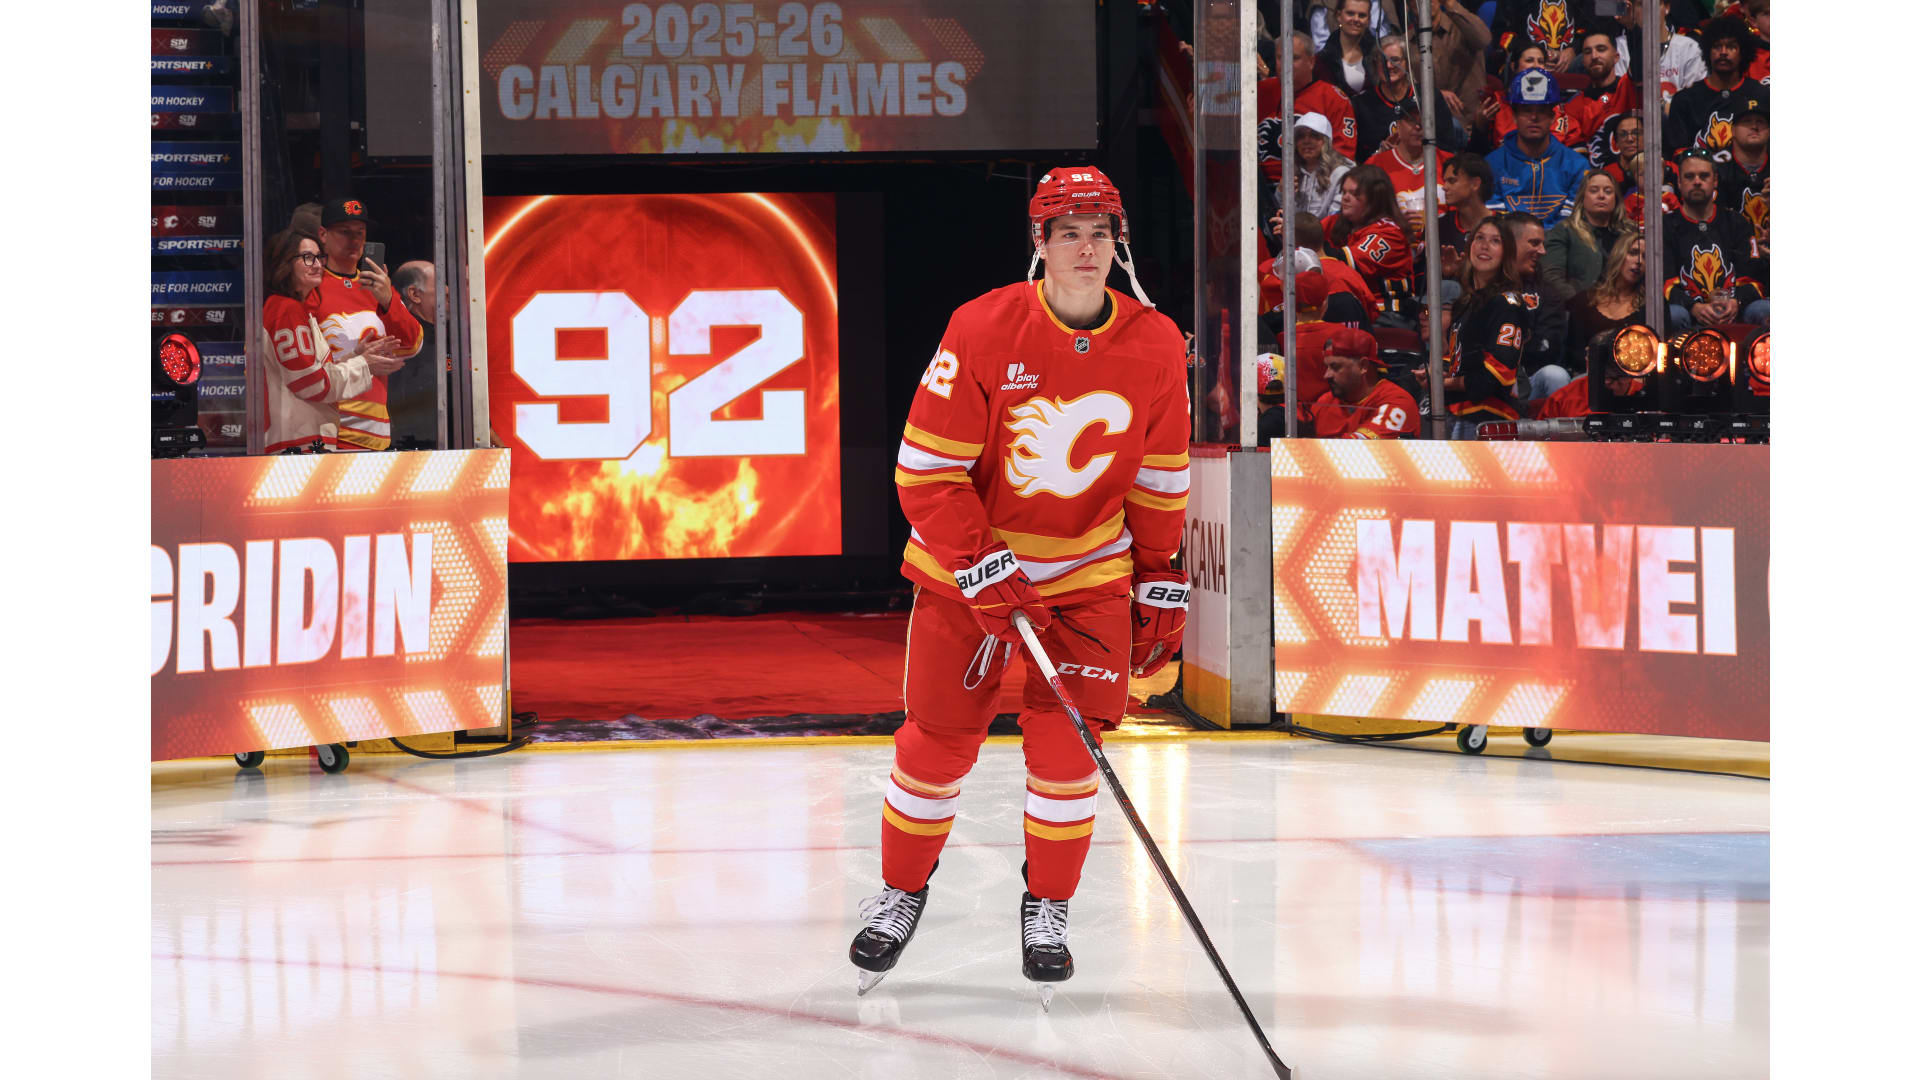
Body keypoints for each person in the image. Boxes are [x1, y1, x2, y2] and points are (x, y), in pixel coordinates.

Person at [849, 167, 1190, 997]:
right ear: (1040, 243)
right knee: (935, 744)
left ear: (1119, 244)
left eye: (1100, 233)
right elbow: (925, 472)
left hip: (1086, 576)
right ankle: (901, 892)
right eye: (1068, 233)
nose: (1086, 249)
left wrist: (1158, 579)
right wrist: (984, 565)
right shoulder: (983, 326)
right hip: (967, 576)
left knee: (1070, 753)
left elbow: (1160, 480)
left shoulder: (1155, 342)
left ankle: (1049, 906)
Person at [260, 228, 405, 453]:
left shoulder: (290, 309)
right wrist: (364, 364)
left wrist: (356, 356)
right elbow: (310, 384)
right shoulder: (286, 309)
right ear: (284, 263)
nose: (317, 264)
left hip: (300, 444)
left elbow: (313, 375)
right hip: (298, 448)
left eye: (319, 257)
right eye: (307, 258)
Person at [312, 198, 423, 451]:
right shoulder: (311, 286)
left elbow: (412, 344)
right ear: (323, 235)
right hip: (328, 431)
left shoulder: (378, 286)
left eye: (360, 233)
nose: (354, 240)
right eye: (345, 232)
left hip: (376, 435)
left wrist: (388, 301)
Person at [1416, 216, 1530, 434]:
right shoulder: (1466, 303)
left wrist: (1442, 383)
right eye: (1479, 238)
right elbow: (1461, 362)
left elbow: (1492, 380)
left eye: (1495, 241)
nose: (1485, 245)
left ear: (1507, 253)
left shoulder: (1507, 304)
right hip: (1455, 412)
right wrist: (1436, 374)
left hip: (1487, 420)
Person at [1662, 149, 1767, 329]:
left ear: (1715, 181)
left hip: (1734, 311)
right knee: (1674, 314)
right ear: (1679, 182)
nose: (1697, 181)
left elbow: (1752, 279)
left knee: (1766, 309)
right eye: (1689, 176)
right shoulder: (1665, 225)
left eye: (1704, 176)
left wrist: (1736, 302)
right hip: (1687, 313)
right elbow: (1665, 283)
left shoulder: (1737, 222)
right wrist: (1693, 307)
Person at [1485, 70, 1588, 228]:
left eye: (1541, 111)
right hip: (1508, 241)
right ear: (1514, 116)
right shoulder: (1492, 165)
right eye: (1527, 110)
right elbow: (1495, 223)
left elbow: (1572, 225)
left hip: (1559, 242)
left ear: (1553, 117)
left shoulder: (1577, 166)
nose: (1534, 117)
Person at [1322, 164, 1414, 318]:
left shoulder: (1390, 233)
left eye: (1354, 193)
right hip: (1351, 309)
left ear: (1375, 198)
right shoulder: (1337, 222)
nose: (1345, 197)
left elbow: (1346, 263)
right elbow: (1306, 235)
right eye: (1344, 192)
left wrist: (1312, 248)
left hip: (1386, 313)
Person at [1666, 15, 1767, 155]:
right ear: (1708, 51)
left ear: (1743, 52)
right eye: (1717, 47)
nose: (1723, 52)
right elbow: (1678, 154)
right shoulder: (1685, 100)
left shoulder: (1762, 95)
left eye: (1731, 47)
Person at [1303, 326, 1420, 438]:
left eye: (1336, 367)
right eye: (1327, 367)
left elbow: (1360, 448)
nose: (1327, 375)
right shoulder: (1325, 401)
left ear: (1363, 366)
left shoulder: (1398, 403)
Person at [1259, 31, 1359, 161]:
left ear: (1311, 62)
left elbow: (1343, 157)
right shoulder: (1259, 91)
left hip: (1314, 172)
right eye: (1280, 57)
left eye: (1294, 58)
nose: (1286, 64)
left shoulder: (1333, 99)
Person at [1562, 230, 1648, 372]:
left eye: (1645, 257)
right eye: (1633, 253)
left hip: (1633, 379)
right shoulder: (1585, 300)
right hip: (1588, 376)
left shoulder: (1651, 306)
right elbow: (1574, 353)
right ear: (1618, 254)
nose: (1639, 261)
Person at [1365, 97, 1453, 234]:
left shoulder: (1449, 162)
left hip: (1444, 239)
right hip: (1394, 241)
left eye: (1424, 119)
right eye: (1411, 120)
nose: (1418, 126)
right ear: (1398, 126)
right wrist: (1397, 225)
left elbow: (1460, 214)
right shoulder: (1375, 166)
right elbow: (1365, 217)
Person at [1256, 270, 1342, 407]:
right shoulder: (1343, 335)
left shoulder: (1282, 340)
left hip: (1294, 415)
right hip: (1333, 413)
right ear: (1325, 303)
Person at [1542, 168, 1627, 296]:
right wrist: (1578, 302)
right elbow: (1551, 277)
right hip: (1578, 304)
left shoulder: (1629, 232)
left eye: (1608, 191)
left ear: (1616, 198)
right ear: (1583, 197)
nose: (1601, 196)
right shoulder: (1564, 231)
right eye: (1594, 191)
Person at [1483, 41, 1580, 150]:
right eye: (1529, 60)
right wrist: (1479, 126)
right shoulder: (1496, 102)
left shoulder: (1554, 105)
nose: (1536, 66)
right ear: (1513, 66)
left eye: (1540, 62)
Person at [1612, 0, 1705, 108]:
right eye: (1641, 4)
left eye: (1654, 4)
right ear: (1632, 10)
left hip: (1678, 117)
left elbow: (1694, 102)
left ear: (1667, 8)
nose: (1648, 10)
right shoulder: (1619, 49)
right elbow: (1621, 99)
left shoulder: (1690, 48)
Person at [387, 260, 439, 448]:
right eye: (440, 283)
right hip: (409, 451)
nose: (448, 290)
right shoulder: (397, 340)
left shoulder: (447, 338)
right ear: (415, 294)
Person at [1293, 213, 1377, 327]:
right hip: (1356, 336)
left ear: (1293, 244)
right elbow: (1372, 313)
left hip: (1315, 336)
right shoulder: (1351, 273)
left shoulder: (1301, 279)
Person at [1562, 28, 1635, 145]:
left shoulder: (1629, 88)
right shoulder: (1573, 107)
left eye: (1601, 49)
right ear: (1583, 61)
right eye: (1587, 52)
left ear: (1616, 57)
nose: (1594, 56)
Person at [1352, 35, 1415, 162]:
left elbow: (1444, 145)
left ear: (1407, 63)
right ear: (1375, 65)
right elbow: (1356, 156)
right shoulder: (1360, 104)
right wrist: (1379, 153)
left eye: (1395, 60)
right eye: (1382, 60)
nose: (1389, 66)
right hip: (1376, 171)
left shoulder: (1426, 98)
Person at [1280, 111, 1354, 217]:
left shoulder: (1340, 174)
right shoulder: (1293, 172)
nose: (1306, 141)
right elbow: (1279, 211)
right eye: (1300, 136)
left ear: (1326, 141)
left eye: (1314, 136)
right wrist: (1281, 192)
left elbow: (1335, 219)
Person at [1490, 0, 1592, 74]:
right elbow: (1503, 33)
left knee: (1593, 56)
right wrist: (1534, 56)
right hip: (1527, 60)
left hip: (1570, 62)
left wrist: (1573, 49)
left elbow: (1588, 29)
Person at [1437, 153, 1496, 281]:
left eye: (1452, 181)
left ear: (1475, 184)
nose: (1444, 187)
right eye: (1445, 181)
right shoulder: (1438, 227)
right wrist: (1447, 274)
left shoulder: (1504, 226)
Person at [1715, 98, 1767, 239]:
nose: (1754, 127)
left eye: (1760, 122)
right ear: (1732, 130)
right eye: (1746, 122)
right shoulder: (1715, 169)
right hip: (1730, 245)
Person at [1313, 0, 1379, 96]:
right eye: (1350, 13)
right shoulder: (1322, 61)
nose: (1356, 19)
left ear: (1368, 20)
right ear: (1338, 16)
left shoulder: (1379, 56)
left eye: (1362, 15)